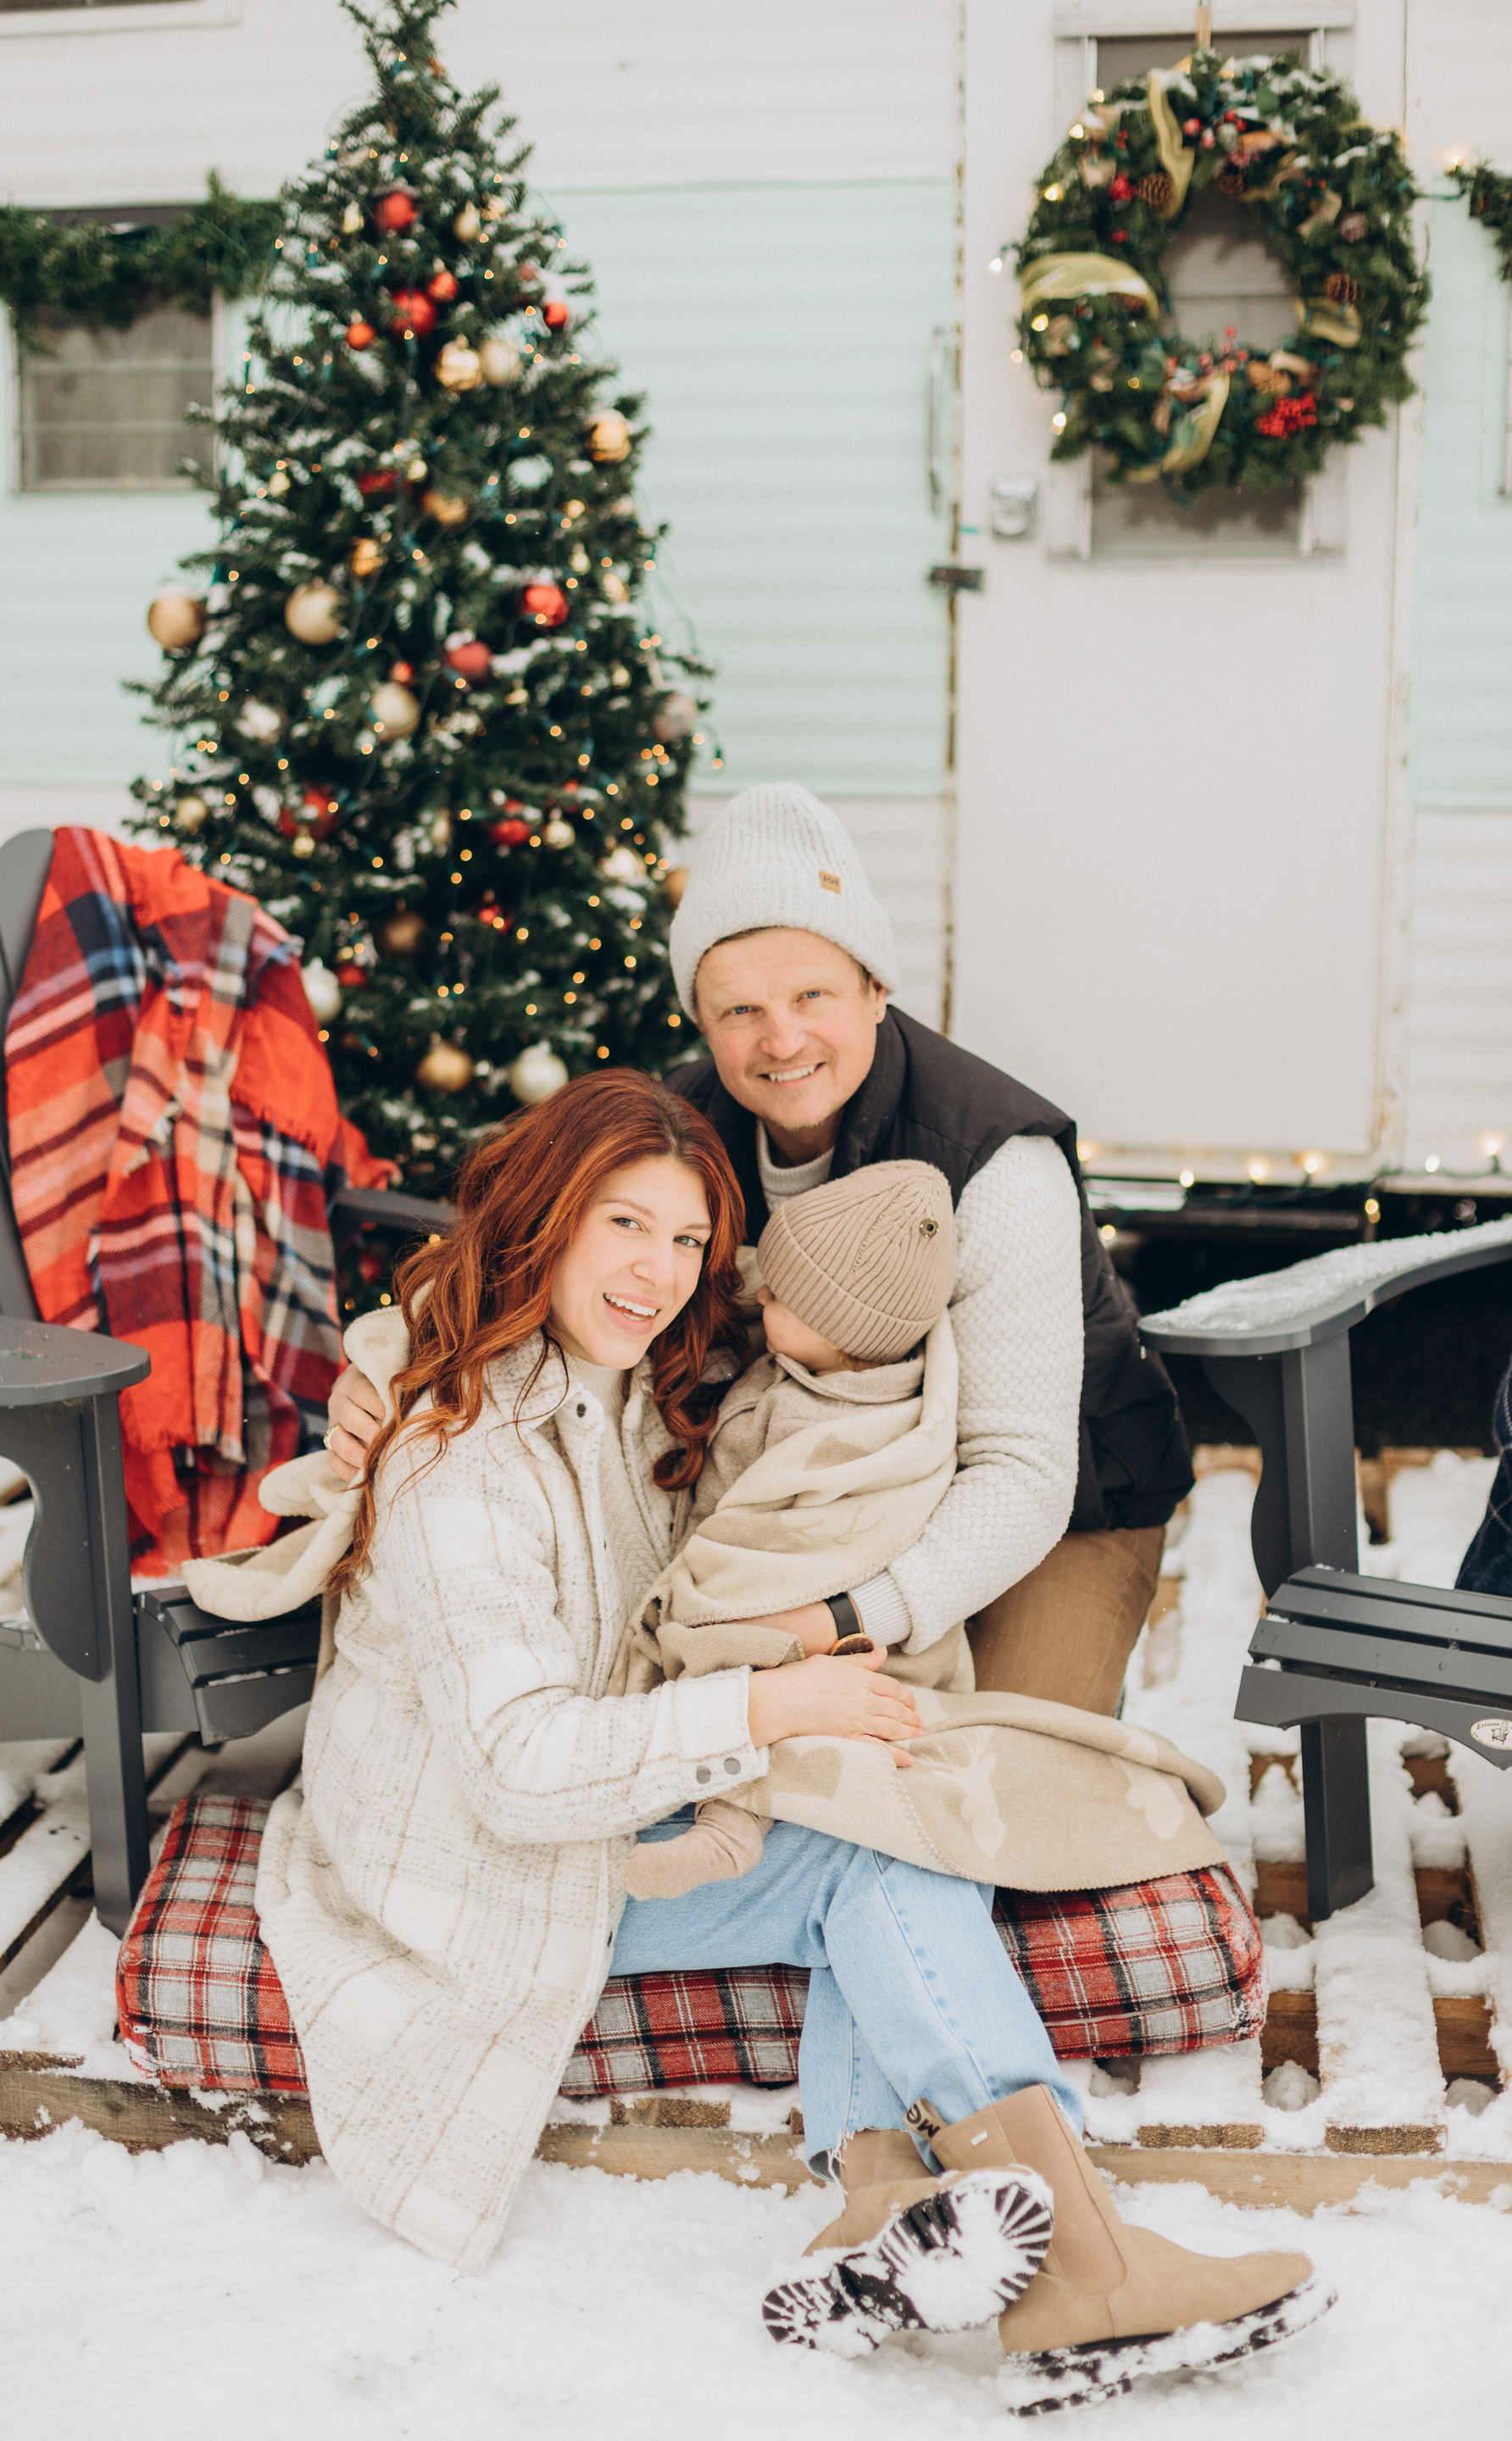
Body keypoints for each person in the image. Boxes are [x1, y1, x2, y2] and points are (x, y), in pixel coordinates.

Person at [264, 1069, 1326, 2409]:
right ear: (544, 1219)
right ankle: (1084, 2268)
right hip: (475, 1860)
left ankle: (883, 2212)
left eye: (686, 1239)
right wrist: (771, 1707)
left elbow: (839, 1322)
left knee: (896, 1800)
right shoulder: (459, 1467)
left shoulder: (620, 1374)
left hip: (598, 1793)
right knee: (881, 1856)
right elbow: (517, 1773)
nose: (658, 1272)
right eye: (623, 1225)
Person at [327, 782, 1193, 1718]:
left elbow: (1022, 1471)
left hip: (1065, 1508)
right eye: (740, 1010)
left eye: (812, 995)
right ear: (700, 1019)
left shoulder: (993, 1158)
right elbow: (522, 1255)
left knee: (1006, 1767)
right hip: (808, 1500)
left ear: (876, 989)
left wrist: (842, 1620)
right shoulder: (679, 1129)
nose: (781, 1040)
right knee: (724, 1745)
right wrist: (391, 1367)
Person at [619, 1155, 962, 1900]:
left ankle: (729, 1830)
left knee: (750, 1675)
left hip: (807, 1601)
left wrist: (724, 1598)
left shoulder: (840, 1421)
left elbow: (798, 1537)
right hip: (786, 1590)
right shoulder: (812, 1357)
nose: (758, 1294)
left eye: (778, 1294)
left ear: (838, 1328)